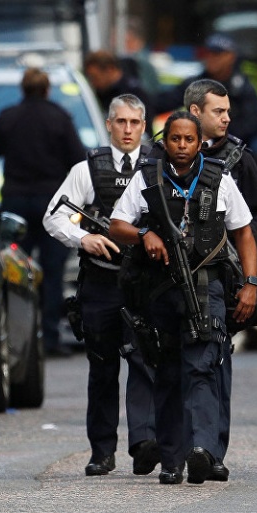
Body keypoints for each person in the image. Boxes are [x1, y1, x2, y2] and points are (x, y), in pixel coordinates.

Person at [109, 111, 257, 485]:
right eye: (175, 139)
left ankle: (203, 451)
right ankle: (172, 460)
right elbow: (116, 225)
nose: (181, 146)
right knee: (167, 374)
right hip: (159, 291)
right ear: (166, 141)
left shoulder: (219, 178)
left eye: (188, 140)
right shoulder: (146, 177)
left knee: (203, 367)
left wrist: (251, 282)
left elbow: (243, 233)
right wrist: (144, 234)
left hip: (206, 287)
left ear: (199, 143)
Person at [43, 94, 159, 478]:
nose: (127, 130)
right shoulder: (87, 169)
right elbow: (54, 217)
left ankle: (144, 442)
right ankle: (102, 451)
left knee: (144, 361)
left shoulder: (157, 167)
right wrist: (83, 239)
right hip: (101, 281)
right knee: (103, 367)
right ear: (109, 124)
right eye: (121, 122)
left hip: (144, 282)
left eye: (135, 123)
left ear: (144, 127)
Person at [179, 78, 257, 480]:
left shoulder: (237, 159)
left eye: (227, 111)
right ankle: (169, 448)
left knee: (212, 361)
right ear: (195, 112)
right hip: (167, 278)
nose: (227, 118)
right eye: (218, 111)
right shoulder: (159, 153)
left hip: (218, 278)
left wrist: (240, 259)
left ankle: (210, 450)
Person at [0, 67, 89, 358]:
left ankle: (24, 340)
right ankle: (52, 338)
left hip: (17, 203)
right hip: (52, 204)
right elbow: (78, 161)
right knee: (53, 271)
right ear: (47, 90)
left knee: (18, 270)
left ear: (23, 89)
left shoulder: (9, 118)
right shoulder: (60, 119)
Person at [155, 33, 257, 147]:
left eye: (217, 54)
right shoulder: (195, 84)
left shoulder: (241, 87)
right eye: (208, 53)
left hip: (233, 150)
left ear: (231, 57)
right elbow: (162, 102)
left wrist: (220, 137)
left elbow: (254, 122)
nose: (211, 58)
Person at [83, 49, 153, 128]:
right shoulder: (101, 92)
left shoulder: (134, 93)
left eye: (95, 77)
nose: (93, 83)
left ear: (110, 70)